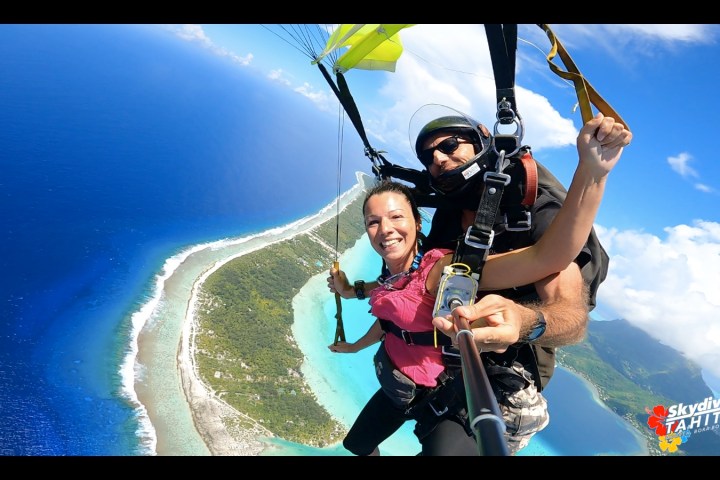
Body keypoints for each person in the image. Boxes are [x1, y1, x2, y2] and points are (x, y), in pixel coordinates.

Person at [327, 111, 632, 456]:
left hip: (498, 361)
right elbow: (402, 287)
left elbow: (556, 274)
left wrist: (591, 174)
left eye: (449, 145)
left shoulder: (534, 211)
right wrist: (352, 291)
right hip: (422, 366)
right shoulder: (449, 215)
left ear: (483, 136)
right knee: (358, 444)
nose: (438, 158)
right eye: (428, 157)